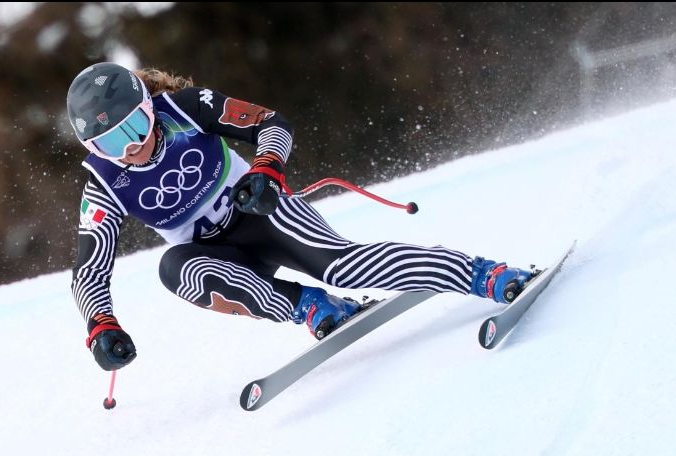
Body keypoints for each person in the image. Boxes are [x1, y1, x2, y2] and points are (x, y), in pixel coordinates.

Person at [67, 62, 536, 371]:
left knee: (343, 267)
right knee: (176, 270)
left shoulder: (186, 109)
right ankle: (312, 306)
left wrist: (267, 170)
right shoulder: (104, 184)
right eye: (111, 143)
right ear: (93, 149)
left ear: (149, 106)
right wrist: (100, 325)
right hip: (223, 258)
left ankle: (483, 274)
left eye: (136, 125)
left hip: (263, 212)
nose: (133, 147)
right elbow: (89, 270)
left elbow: (270, 122)